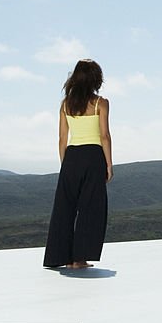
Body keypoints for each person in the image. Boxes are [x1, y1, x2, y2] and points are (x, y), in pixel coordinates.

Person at [43, 59, 113, 269]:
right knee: (90, 208)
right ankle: (79, 259)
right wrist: (109, 165)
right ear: (95, 78)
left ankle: (59, 258)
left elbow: (62, 139)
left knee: (64, 208)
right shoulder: (101, 103)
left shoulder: (65, 104)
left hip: (71, 156)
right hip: (93, 156)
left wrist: (66, 165)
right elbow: (105, 136)